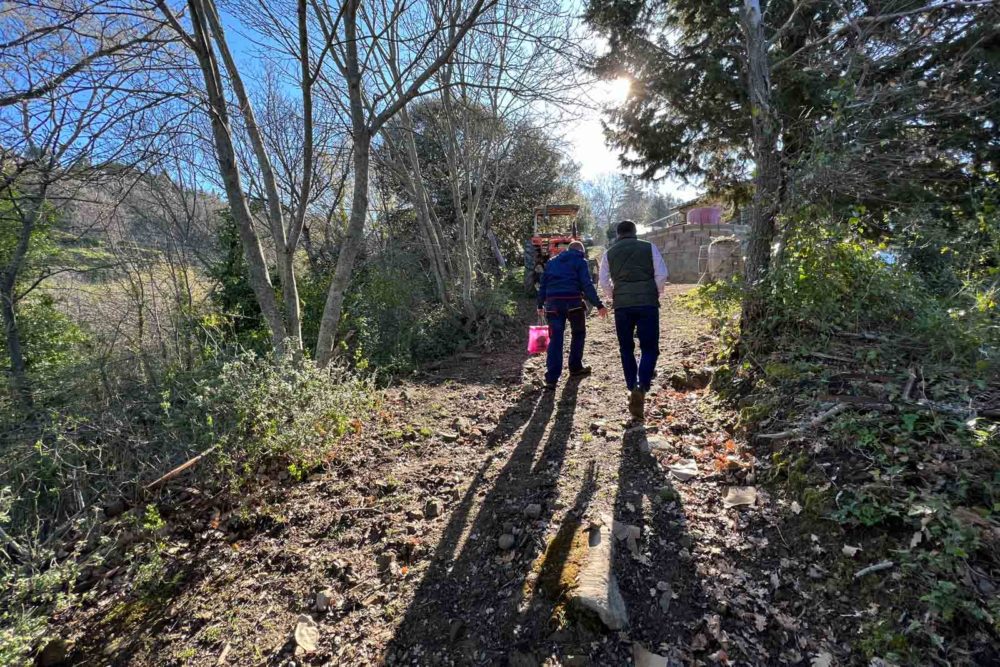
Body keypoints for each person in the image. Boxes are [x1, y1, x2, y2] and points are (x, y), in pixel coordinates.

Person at [599, 220, 669, 420]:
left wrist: (614, 295)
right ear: (635, 232)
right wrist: (655, 292)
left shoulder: (609, 253)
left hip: (622, 306)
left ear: (618, 234)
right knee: (649, 348)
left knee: (626, 348)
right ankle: (642, 385)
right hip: (648, 304)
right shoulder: (649, 247)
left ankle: (632, 387)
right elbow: (662, 274)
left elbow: (603, 281)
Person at [537, 240, 608, 390]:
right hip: (573, 303)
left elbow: (543, 284)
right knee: (578, 333)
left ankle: (551, 379)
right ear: (580, 251)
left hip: (553, 305)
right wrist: (598, 304)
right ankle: (575, 368)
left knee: (555, 339)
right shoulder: (580, 261)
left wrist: (539, 304)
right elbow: (586, 284)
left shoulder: (551, 262)